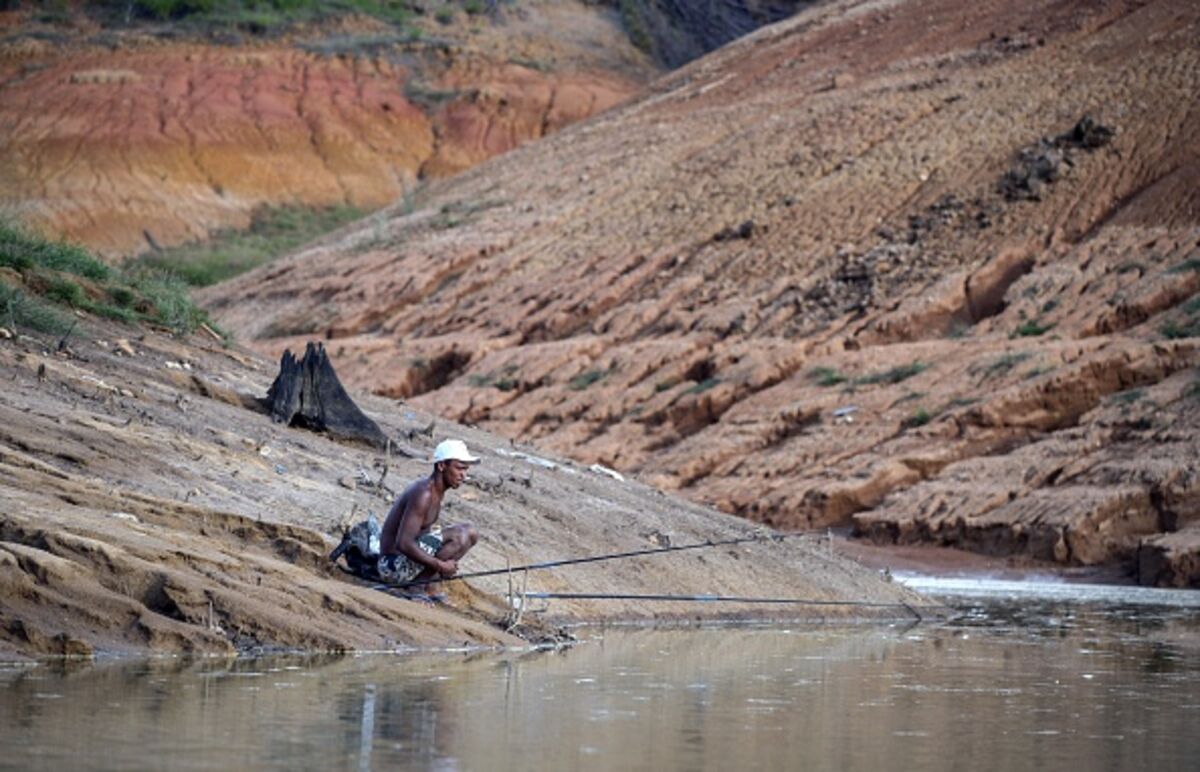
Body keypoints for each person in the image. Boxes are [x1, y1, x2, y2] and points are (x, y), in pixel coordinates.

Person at [377, 439, 480, 585]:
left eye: (465, 470)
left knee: (471, 532)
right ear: (442, 465)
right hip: (392, 567)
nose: (463, 475)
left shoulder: (436, 492)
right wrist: (439, 565)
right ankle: (417, 587)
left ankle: (427, 584)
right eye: (459, 468)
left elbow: (423, 538)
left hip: (407, 563)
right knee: (459, 535)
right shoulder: (423, 494)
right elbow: (404, 543)